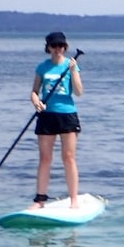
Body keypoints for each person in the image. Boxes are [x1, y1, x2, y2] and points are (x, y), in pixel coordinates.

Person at [30, 31, 83, 209]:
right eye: (54, 46)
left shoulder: (70, 65)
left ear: (65, 47)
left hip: (67, 115)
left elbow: (78, 92)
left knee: (68, 157)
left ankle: (74, 199)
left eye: (61, 46)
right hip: (47, 115)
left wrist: (74, 71)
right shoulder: (42, 67)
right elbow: (35, 91)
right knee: (45, 158)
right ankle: (40, 200)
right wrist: (36, 101)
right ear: (48, 48)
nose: (58, 49)